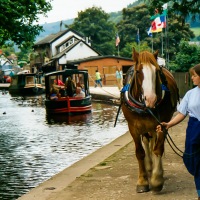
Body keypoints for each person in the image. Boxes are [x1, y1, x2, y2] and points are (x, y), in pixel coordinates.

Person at [157, 64, 200, 200]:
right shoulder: (190, 94)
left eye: (194, 75)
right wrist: (168, 124)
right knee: (191, 158)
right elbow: (182, 113)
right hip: (194, 129)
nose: (192, 78)